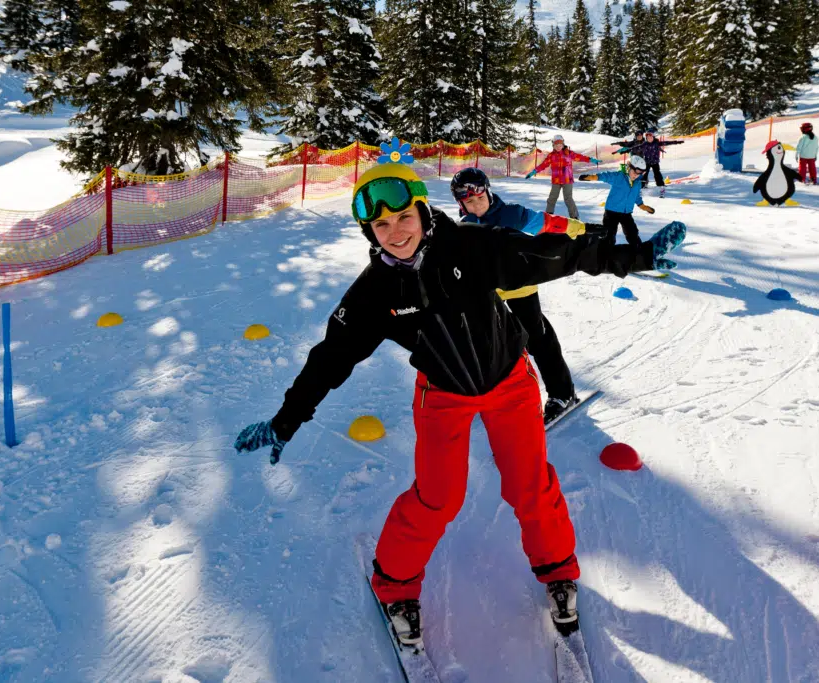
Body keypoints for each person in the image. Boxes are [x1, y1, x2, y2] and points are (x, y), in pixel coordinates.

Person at [234, 160, 686, 648]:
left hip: (509, 382)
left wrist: (634, 256)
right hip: (441, 393)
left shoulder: (472, 246)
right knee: (437, 496)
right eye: (380, 224)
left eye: (403, 216)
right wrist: (285, 421)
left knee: (529, 485)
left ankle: (558, 573)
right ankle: (395, 586)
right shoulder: (373, 293)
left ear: (423, 211)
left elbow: (555, 255)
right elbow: (329, 359)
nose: (395, 232)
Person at [451, 167, 582, 423]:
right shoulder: (464, 227)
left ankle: (562, 394)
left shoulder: (511, 214)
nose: (477, 206)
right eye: (469, 202)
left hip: (521, 289)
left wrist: (577, 229)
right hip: (490, 295)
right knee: (497, 347)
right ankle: (505, 397)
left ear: (488, 192)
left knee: (539, 339)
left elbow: (547, 223)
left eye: (480, 198)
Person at [577, 155, 654, 247]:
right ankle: (605, 254)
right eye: (635, 172)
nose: (636, 175)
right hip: (611, 212)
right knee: (609, 234)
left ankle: (638, 252)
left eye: (639, 174)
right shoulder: (618, 176)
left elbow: (636, 197)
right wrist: (593, 177)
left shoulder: (637, 183)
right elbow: (606, 176)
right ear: (628, 167)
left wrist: (642, 206)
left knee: (632, 233)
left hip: (626, 213)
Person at [525, 133, 601, 219]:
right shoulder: (551, 156)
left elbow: (579, 157)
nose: (558, 146)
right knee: (552, 198)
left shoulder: (568, 153)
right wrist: (534, 171)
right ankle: (548, 216)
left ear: (563, 144)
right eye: (556, 144)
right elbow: (543, 165)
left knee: (568, 199)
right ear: (553, 145)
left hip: (567, 180)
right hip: (556, 181)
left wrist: (590, 159)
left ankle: (575, 217)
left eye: (560, 144)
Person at [613, 127, 684, 198]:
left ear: (653, 137)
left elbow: (667, 143)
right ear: (646, 138)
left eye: (650, 137)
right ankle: (641, 187)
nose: (649, 139)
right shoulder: (645, 144)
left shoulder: (657, 143)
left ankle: (661, 187)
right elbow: (635, 147)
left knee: (657, 174)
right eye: (648, 137)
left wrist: (676, 142)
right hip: (647, 162)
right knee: (644, 174)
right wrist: (624, 151)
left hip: (655, 162)